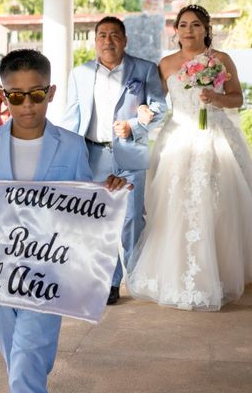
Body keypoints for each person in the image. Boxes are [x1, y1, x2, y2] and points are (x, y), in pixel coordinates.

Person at [0, 49, 128, 392]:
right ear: (4, 96)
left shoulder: (71, 146)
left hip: (50, 268)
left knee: (29, 349)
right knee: (17, 352)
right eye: (16, 97)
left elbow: (82, 203)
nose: (27, 106)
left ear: (49, 93)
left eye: (36, 95)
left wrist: (106, 190)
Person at [126, 5, 252, 311]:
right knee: (175, 204)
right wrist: (143, 112)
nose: (189, 30)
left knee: (221, 202)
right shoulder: (165, 64)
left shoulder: (221, 60)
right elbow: (156, 103)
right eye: (183, 25)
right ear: (175, 30)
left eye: (195, 25)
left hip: (216, 134)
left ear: (206, 29)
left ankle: (224, 270)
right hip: (178, 137)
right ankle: (176, 269)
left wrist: (215, 98)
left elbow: (237, 97)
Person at [62, 16, 167, 305]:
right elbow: (72, 116)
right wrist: (65, 152)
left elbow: (159, 107)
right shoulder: (80, 73)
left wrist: (134, 125)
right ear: (95, 40)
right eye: (102, 35)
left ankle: (137, 277)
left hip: (130, 152)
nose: (108, 40)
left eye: (115, 35)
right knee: (100, 219)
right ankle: (110, 280)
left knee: (132, 218)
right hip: (93, 154)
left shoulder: (144, 69)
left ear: (125, 40)